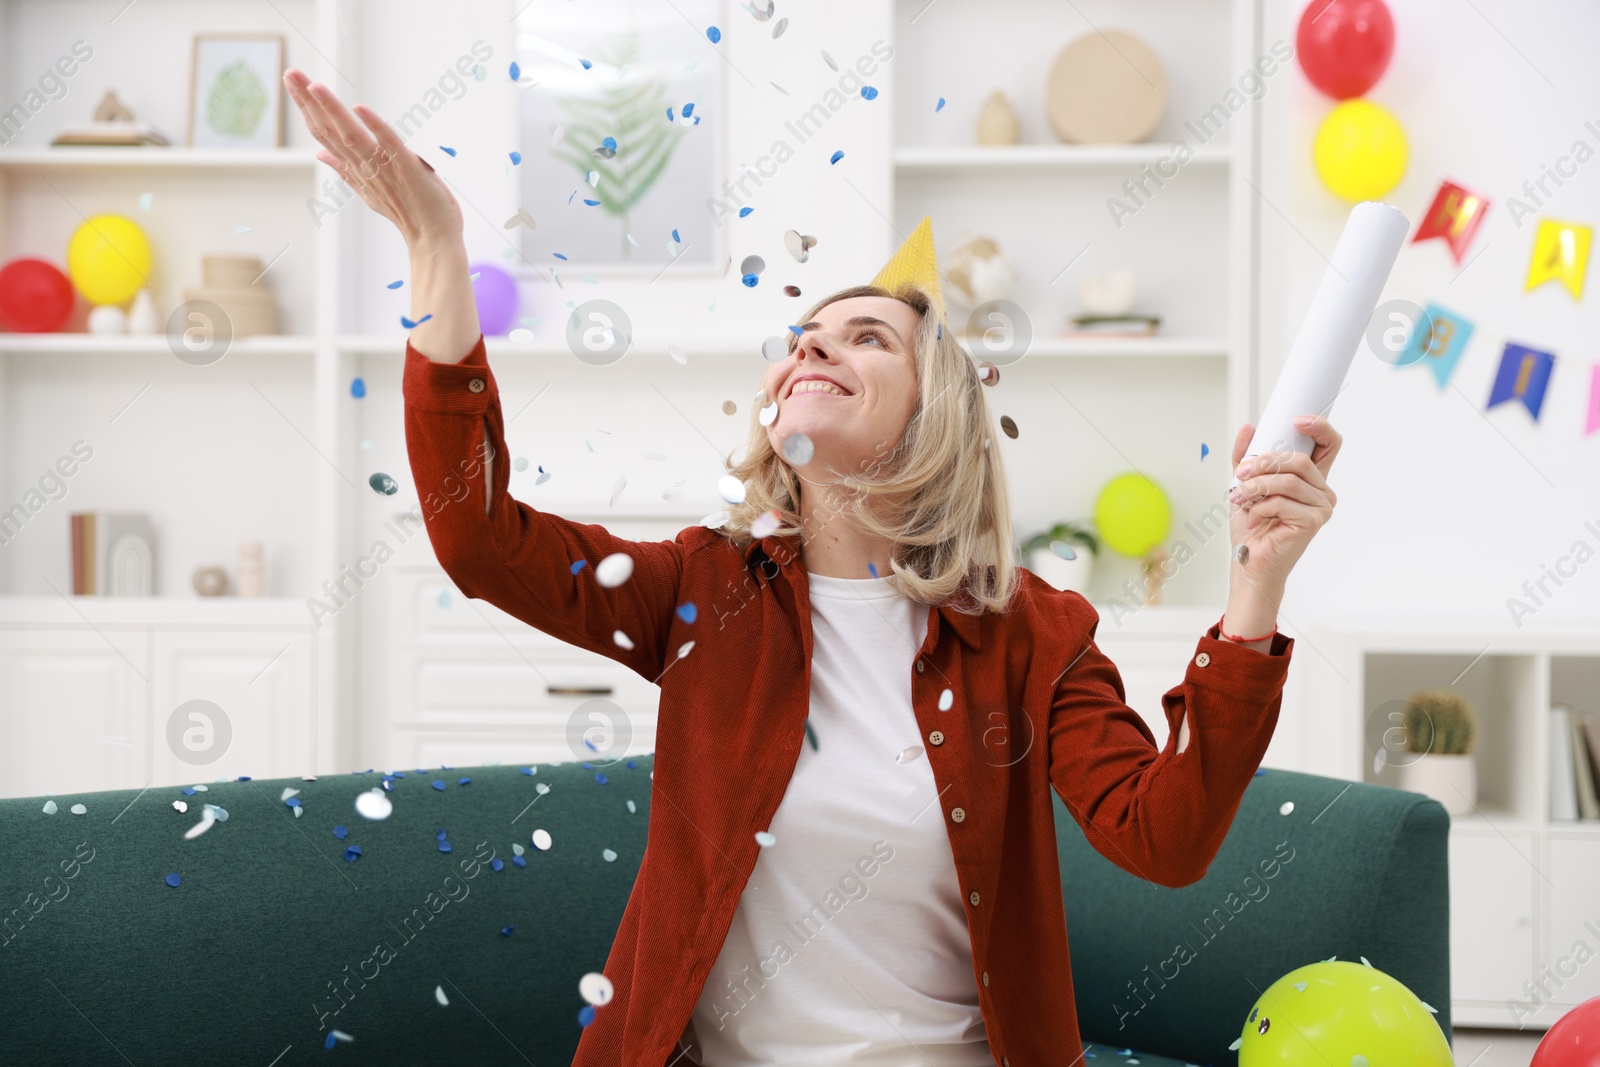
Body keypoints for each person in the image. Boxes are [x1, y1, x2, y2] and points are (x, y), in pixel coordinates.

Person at [284, 69, 1341, 1067]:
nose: (812, 351)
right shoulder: (706, 589)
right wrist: (435, 242)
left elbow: (1163, 838)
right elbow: (481, 542)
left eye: (865, 338)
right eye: (802, 337)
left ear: (936, 415)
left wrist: (1256, 587)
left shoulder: (1033, 630)